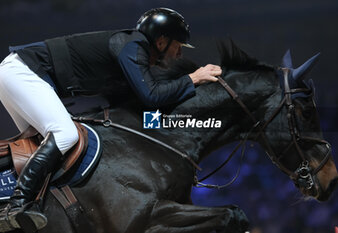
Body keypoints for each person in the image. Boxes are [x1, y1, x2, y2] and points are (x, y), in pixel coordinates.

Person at [0, 7, 222, 231]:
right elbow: (152, 96)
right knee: (65, 135)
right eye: (179, 46)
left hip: (20, 73)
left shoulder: (134, 53)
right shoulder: (133, 47)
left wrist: (181, 126)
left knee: (45, 147)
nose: (180, 54)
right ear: (162, 41)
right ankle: (17, 206)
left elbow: (140, 110)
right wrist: (193, 78)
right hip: (23, 72)